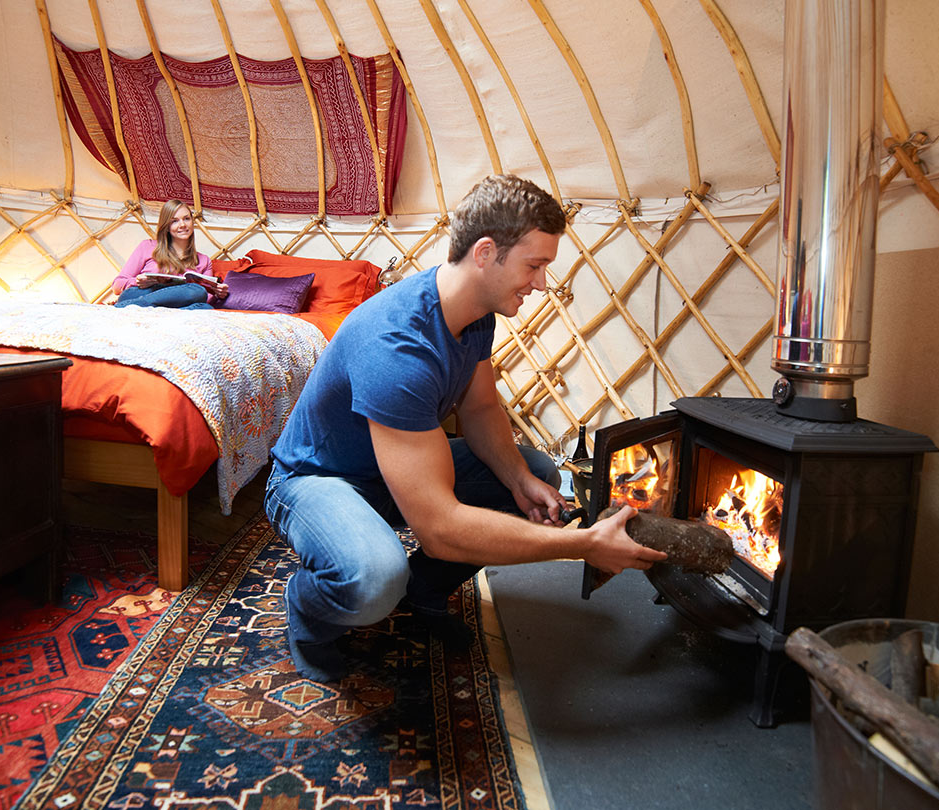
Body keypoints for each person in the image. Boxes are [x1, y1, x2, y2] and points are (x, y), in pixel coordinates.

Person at [265, 173, 667, 681]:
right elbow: (440, 530)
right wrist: (582, 545)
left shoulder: (475, 314)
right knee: (373, 577)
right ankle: (306, 609)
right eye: (535, 265)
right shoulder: (397, 349)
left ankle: (424, 593)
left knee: (533, 470)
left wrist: (521, 481)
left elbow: (479, 410)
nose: (542, 282)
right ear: (484, 253)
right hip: (317, 478)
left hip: (386, 470)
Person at [112, 199, 229, 309]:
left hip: (174, 306)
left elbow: (203, 298)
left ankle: (135, 308)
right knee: (199, 296)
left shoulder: (204, 261)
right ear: (166, 226)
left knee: (202, 298)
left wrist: (217, 293)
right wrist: (137, 282)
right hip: (143, 293)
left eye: (186, 218)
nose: (182, 225)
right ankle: (139, 305)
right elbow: (117, 286)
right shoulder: (148, 246)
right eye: (174, 221)